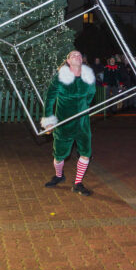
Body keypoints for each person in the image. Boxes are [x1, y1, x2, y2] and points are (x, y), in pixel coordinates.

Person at [40, 50, 96, 196]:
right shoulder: (60, 78)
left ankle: (78, 183)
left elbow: (91, 96)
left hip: (82, 123)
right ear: (68, 61)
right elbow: (50, 99)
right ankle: (59, 175)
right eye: (73, 55)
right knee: (59, 155)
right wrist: (49, 121)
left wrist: (84, 108)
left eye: (79, 55)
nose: (77, 56)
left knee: (85, 153)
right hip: (64, 123)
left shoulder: (88, 77)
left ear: (82, 60)